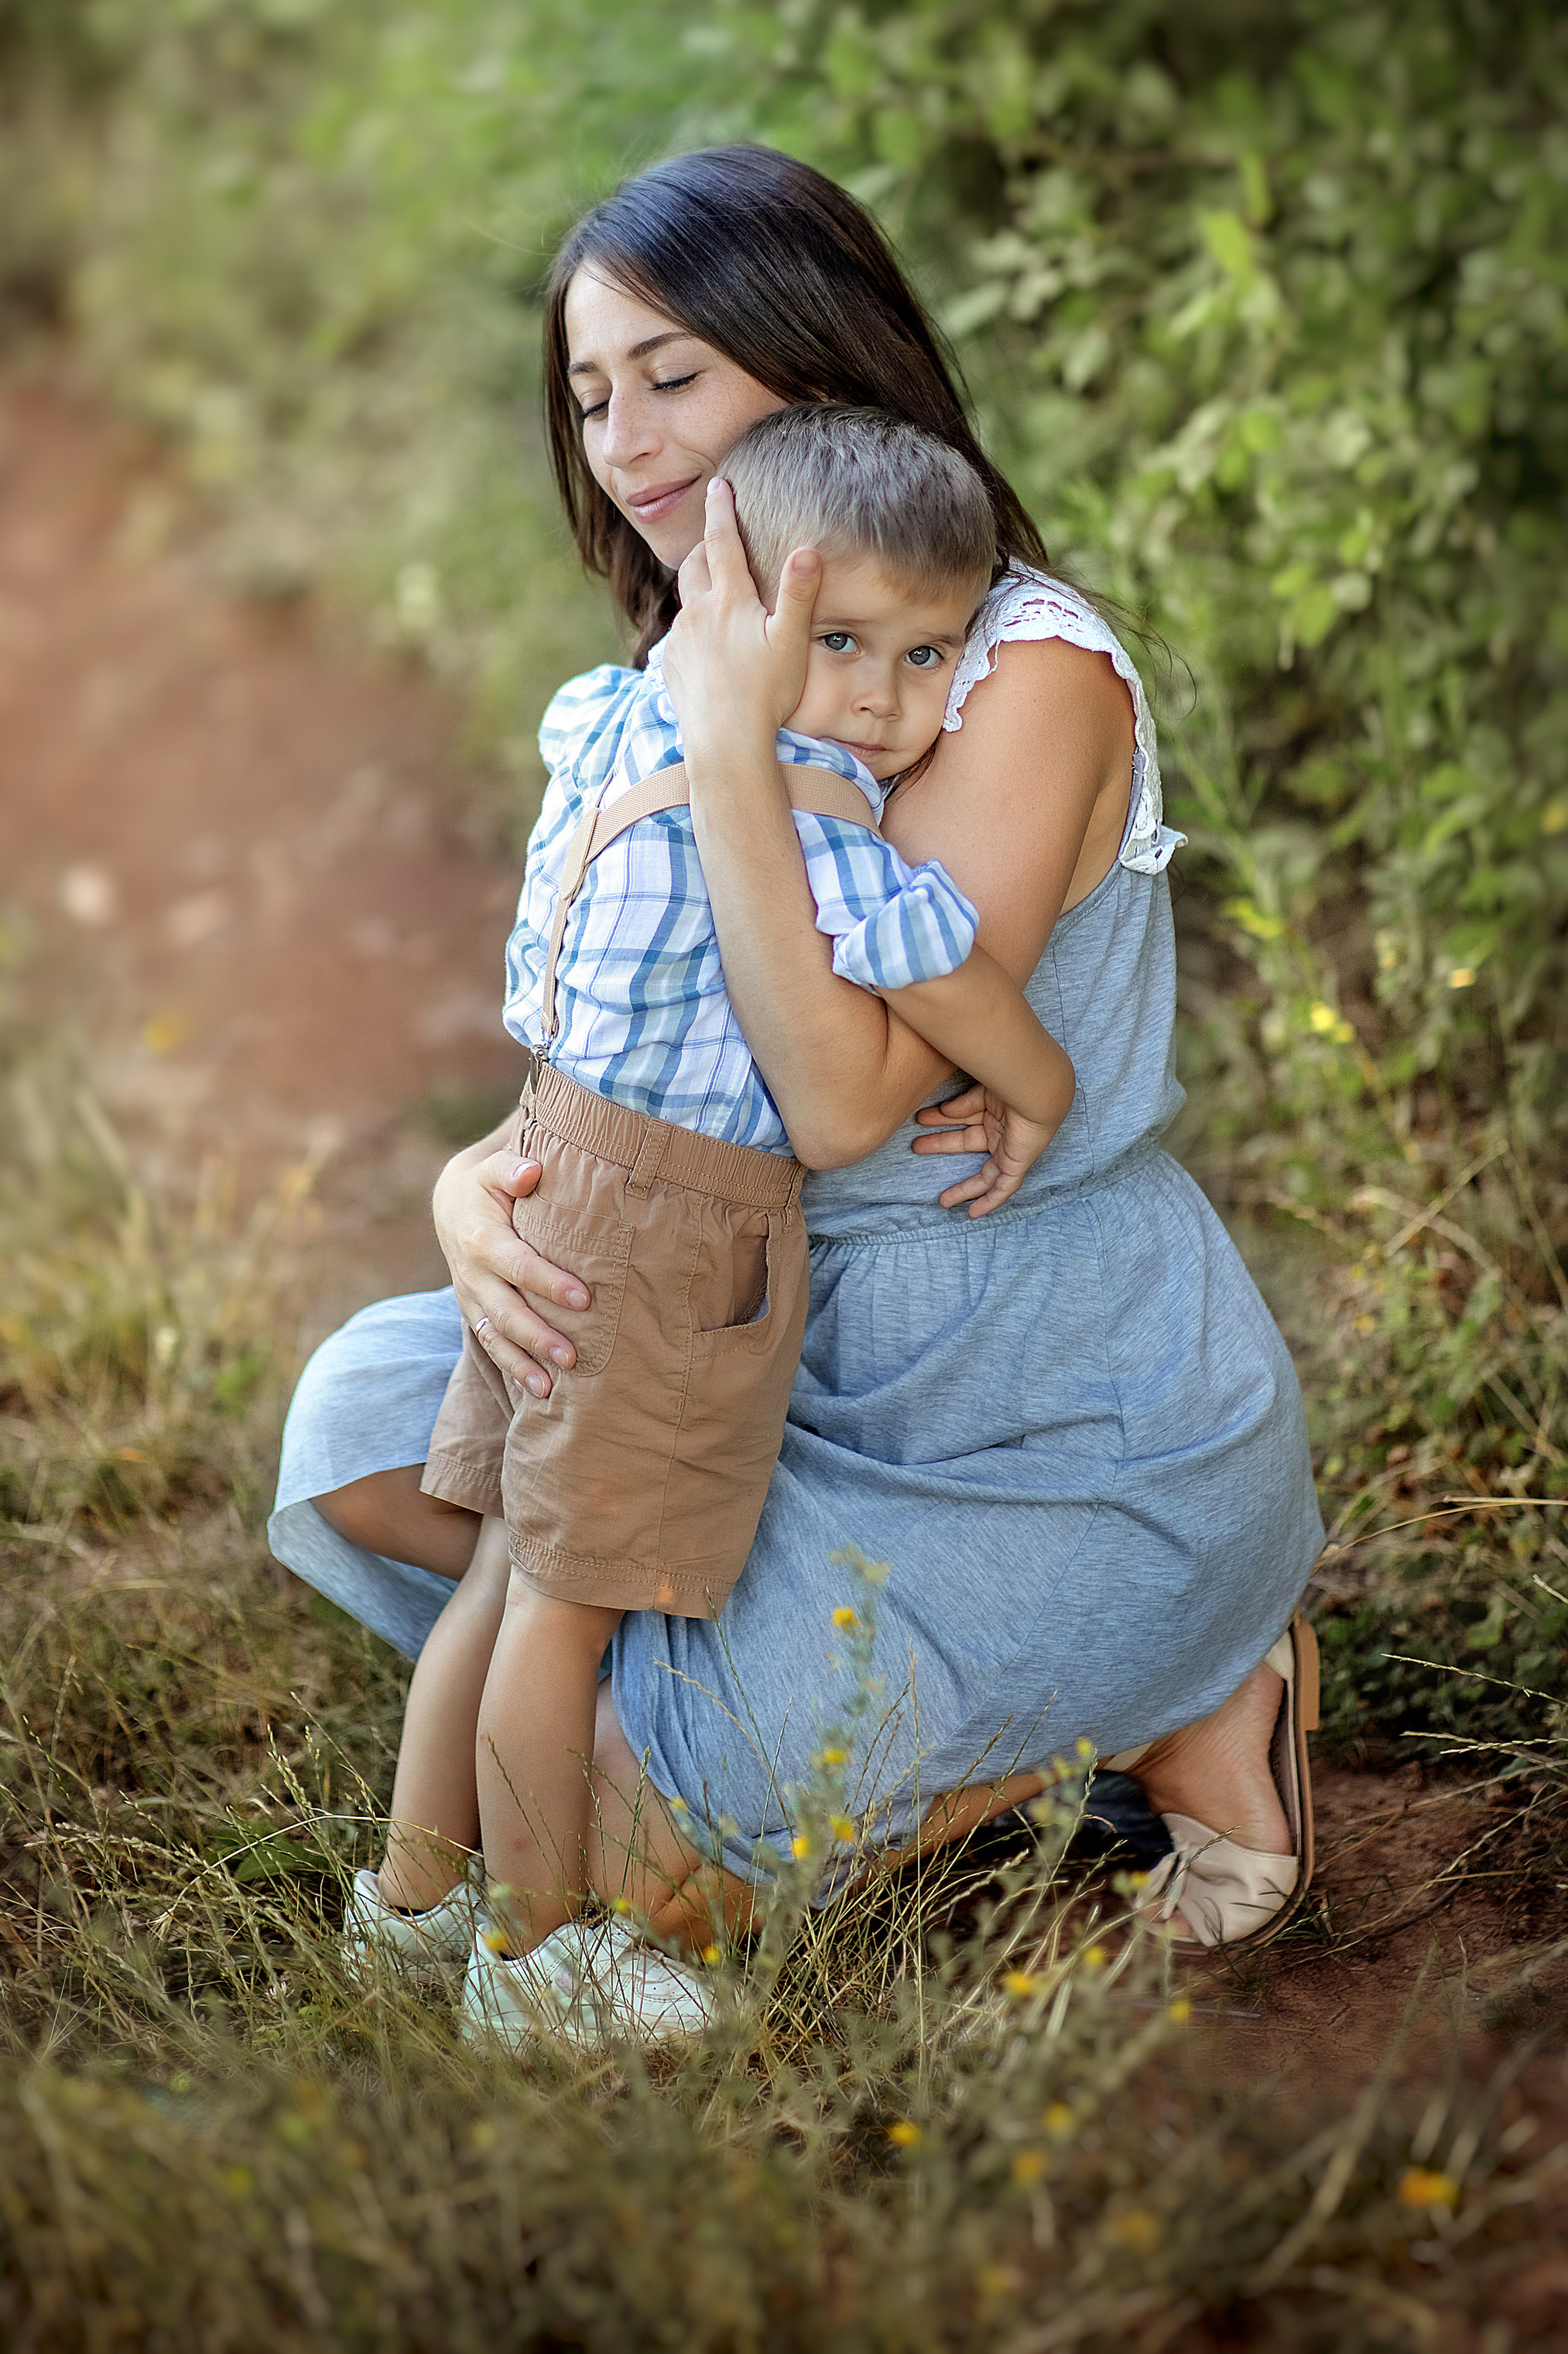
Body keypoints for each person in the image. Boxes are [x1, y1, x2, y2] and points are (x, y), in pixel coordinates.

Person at [269, 144, 1325, 2046]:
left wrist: (724, 752)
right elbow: (627, 1033)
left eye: (672, 376)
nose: (624, 441)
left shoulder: (998, 675)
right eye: (589, 396)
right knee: (359, 1434)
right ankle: (982, 1725)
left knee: (602, 1827)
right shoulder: (732, 661)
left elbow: (843, 1104)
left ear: (817, 363)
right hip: (744, 1330)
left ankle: (1182, 1684)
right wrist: (470, 1198)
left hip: (1024, 1404)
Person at [352, 406, 1075, 2048]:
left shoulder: (602, 719)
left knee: (501, 1568)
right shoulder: (812, 806)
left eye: (925, 656)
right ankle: (534, 1962)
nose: (884, 701)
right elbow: (940, 966)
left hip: (555, 1164)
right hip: (672, 1225)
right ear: (729, 600)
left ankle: (407, 1913)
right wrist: (1042, 1082)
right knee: (566, 1602)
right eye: (837, 642)